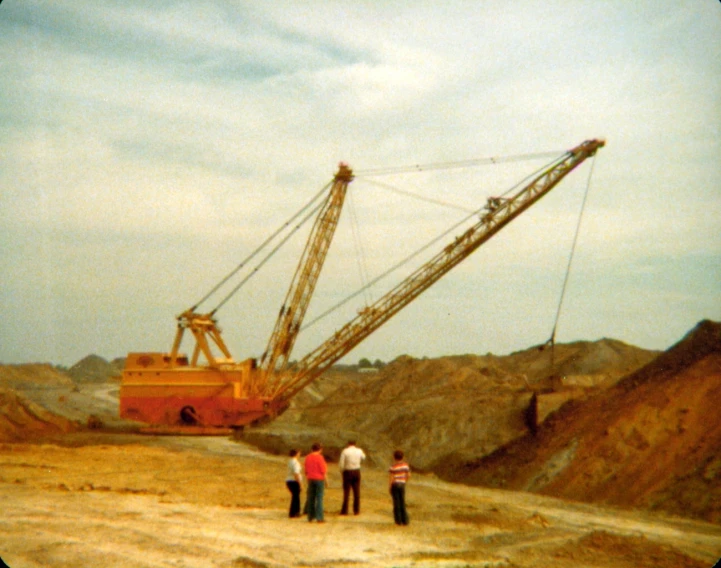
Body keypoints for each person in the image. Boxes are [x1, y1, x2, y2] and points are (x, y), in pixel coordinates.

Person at [338, 440, 366, 515]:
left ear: (348, 444)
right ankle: (356, 510)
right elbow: (364, 457)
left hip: (347, 471)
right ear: (355, 444)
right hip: (356, 471)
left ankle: (345, 510)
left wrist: (341, 470)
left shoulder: (345, 451)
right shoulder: (359, 450)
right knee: (356, 491)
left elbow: (341, 463)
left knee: (346, 492)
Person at [304, 442, 328, 523]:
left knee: (311, 498)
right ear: (320, 449)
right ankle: (319, 517)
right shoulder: (320, 458)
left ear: (312, 449)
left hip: (310, 478)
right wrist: (326, 481)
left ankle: (310, 516)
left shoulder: (307, 457)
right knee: (319, 498)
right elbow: (323, 470)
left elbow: (306, 470)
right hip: (319, 479)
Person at [389, 449, 410, 526]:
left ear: (394, 457)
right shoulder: (405, 465)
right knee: (402, 501)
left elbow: (391, 477)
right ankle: (405, 520)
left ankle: (398, 521)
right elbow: (408, 475)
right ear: (403, 457)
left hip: (395, 484)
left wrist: (390, 486)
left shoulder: (393, 467)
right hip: (402, 484)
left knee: (396, 502)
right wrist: (404, 481)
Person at [285, 449, 303, 518]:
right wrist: (300, 483)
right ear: (296, 454)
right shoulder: (295, 463)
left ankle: (293, 512)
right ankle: (294, 512)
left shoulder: (290, 461)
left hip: (289, 480)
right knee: (296, 497)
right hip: (294, 481)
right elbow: (296, 473)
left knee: (294, 496)